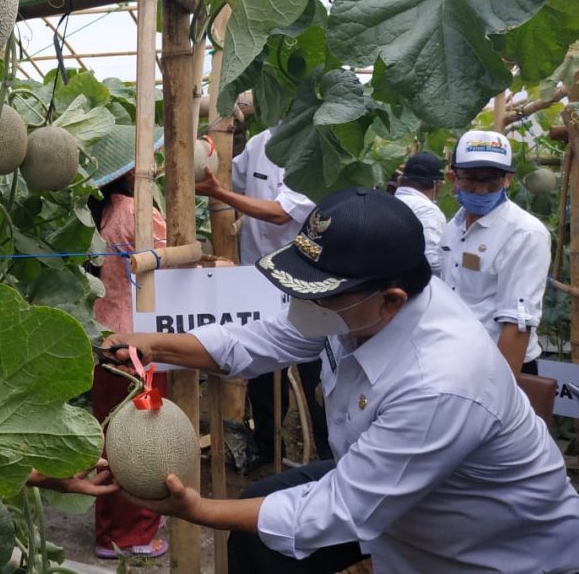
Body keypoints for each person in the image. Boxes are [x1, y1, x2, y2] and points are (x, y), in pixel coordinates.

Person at [100, 188, 579, 573]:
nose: (301, 305)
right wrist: (153, 345)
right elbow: (260, 340)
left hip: (489, 550)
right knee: (257, 533)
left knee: (260, 522)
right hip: (395, 494)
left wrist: (199, 509)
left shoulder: (441, 381)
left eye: (319, 294)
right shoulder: (359, 308)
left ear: (391, 299)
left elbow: (340, 509)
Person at [196, 127, 329, 467]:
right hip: (256, 279)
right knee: (262, 374)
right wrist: (201, 150)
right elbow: (230, 175)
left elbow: (280, 213)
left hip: (302, 280)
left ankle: (328, 454)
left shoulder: (312, 147)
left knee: (314, 372)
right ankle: (268, 448)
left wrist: (219, 194)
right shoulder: (260, 142)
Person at [86, 169, 171, 559]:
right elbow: (170, 264)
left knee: (112, 438)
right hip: (138, 347)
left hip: (105, 340)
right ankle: (133, 534)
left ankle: (110, 531)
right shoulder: (137, 212)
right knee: (142, 439)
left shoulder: (103, 210)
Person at [441, 130, 551, 376]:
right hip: (456, 359)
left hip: (501, 364)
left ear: (508, 179)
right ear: (453, 178)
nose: (481, 190)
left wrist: (499, 390)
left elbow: (517, 322)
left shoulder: (525, 234)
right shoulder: (452, 228)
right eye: (471, 178)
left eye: (492, 180)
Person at [394, 151, 446, 276]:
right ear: (438, 185)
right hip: (413, 282)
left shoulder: (389, 201)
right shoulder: (427, 210)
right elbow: (431, 261)